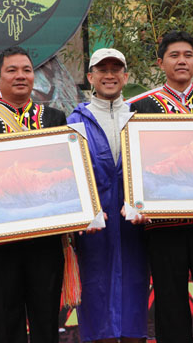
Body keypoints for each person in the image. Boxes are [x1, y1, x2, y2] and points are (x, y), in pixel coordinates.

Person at [0, 45, 67, 343]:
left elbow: (68, 173)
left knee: (47, 320)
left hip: (46, 238)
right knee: (6, 322)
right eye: (12, 70)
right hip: (0, 241)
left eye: (27, 70)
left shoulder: (55, 118)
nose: (21, 76)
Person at [129, 31, 193, 343]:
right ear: (160, 63)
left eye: (188, 55)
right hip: (162, 222)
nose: (182, 61)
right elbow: (136, 160)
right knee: (169, 299)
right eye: (174, 55)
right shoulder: (141, 107)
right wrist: (136, 202)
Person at [67, 48, 148, 343]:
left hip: (135, 224)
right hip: (94, 228)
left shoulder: (141, 118)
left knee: (135, 290)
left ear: (125, 77)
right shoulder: (74, 122)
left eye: (116, 70)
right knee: (96, 291)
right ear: (90, 77)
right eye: (102, 70)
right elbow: (69, 175)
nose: (109, 75)